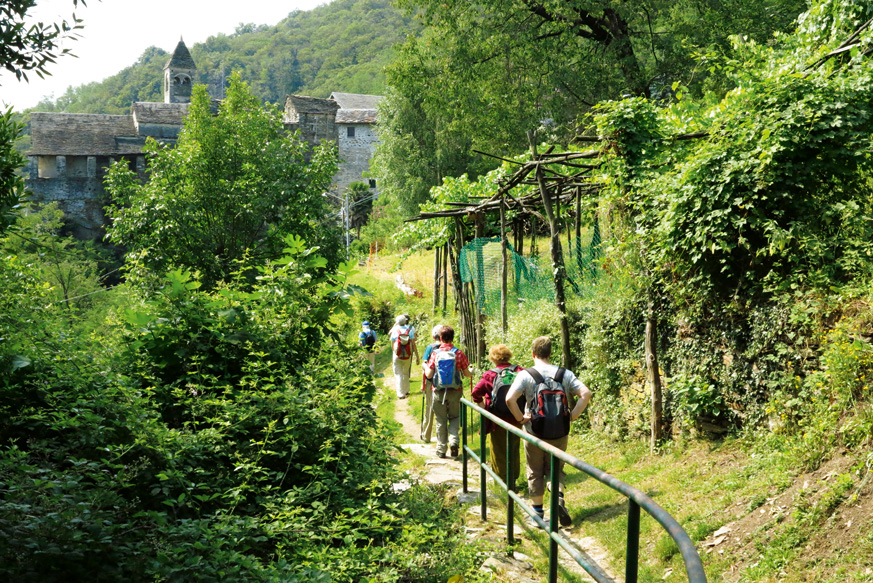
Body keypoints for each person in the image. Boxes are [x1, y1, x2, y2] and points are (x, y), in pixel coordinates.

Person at [505, 336, 591, 528]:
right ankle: (558, 498)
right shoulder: (564, 374)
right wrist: (573, 415)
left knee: (535, 471)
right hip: (560, 430)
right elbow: (586, 394)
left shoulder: (526, 375)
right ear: (550, 353)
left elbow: (510, 399)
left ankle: (537, 514)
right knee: (555, 469)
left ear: (533, 353)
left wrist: (520, 418)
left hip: (534, 431)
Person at [471, 344, 523, 487]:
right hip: (517, 416)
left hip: (497, 419)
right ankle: (513, 478)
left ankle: (501, 482)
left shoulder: (490, 374)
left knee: (498, 449)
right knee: (514, 448)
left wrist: (484, 410)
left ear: (493, 358)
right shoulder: (520, 371)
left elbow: (476, 393)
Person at [423, 326, 472, 458]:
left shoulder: (435, 353)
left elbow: (428, 374)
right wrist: (470, 371)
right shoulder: (459, 353)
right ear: (452, 337)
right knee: (455, 417)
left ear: (441, 338)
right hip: (455, 391)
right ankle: (454, 442)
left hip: (438, 391)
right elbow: (467, 374)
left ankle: (441, 450)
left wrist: (425, 366)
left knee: (441, 420)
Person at [419, 325, 443, 443]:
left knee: (429, 408)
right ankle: (442, 438)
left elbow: (425, 365)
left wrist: (422, 384)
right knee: (442, 411)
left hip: (431, 382)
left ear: (434, 336)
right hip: (445, 383)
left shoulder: (430, 347)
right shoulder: (449, 348)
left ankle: (426, 436)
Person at [389, 314, 419, 399]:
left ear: (397, 322)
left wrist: (395, 352)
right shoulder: (410, 331)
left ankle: (400, 394)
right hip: (407, 354)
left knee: (398, 374)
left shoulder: (395, 330)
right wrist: (417, 356)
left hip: (397, 355)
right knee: (405, 373)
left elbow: (392, 344)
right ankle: (406, 390)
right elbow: (413, 344)